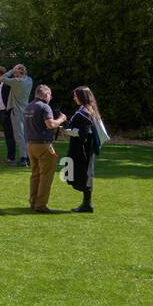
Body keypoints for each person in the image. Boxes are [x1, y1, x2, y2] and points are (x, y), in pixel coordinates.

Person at [25, 84, 67, 213]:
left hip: (30, 144)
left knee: (35, 174)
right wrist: (61, 119)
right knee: (46, 176)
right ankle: (41, 205)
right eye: (50, 96)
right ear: (46, 95)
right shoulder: (45, 106)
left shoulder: (28, 106)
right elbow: (50, 124)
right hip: (44, 145)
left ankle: (33, 201)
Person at [65, 86, 105, 214]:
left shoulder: (84, 112)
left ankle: (87, 204)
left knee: (85, 174)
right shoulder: (89, 110)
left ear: (81, 97)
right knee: (85, 174)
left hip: (83, 149)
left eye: (76, 96)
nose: (74, 98)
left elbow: (82, 133)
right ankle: (86, 203)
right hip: (86, 148)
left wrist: (65, 131)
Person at [0, 64, 34, 167]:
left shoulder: (16, 82)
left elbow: (2, 78)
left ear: (19, 73)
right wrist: (18, 69)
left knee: (19, 135)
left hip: (17, 111)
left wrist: (11, 70)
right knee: (25, 135)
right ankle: (28, 157)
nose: (14, 75)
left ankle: (24, 158)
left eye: (16, 73)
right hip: (26, 110)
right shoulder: (29, 80)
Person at [0, 66, 16, 163]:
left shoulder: (6, 84)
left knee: (10, 135)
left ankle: (11, 157)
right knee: (8, 135)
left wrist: (8, 111)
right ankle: (10, 156)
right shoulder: (2, 84)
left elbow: (8, 99)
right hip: (3, 111)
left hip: (7, 112)